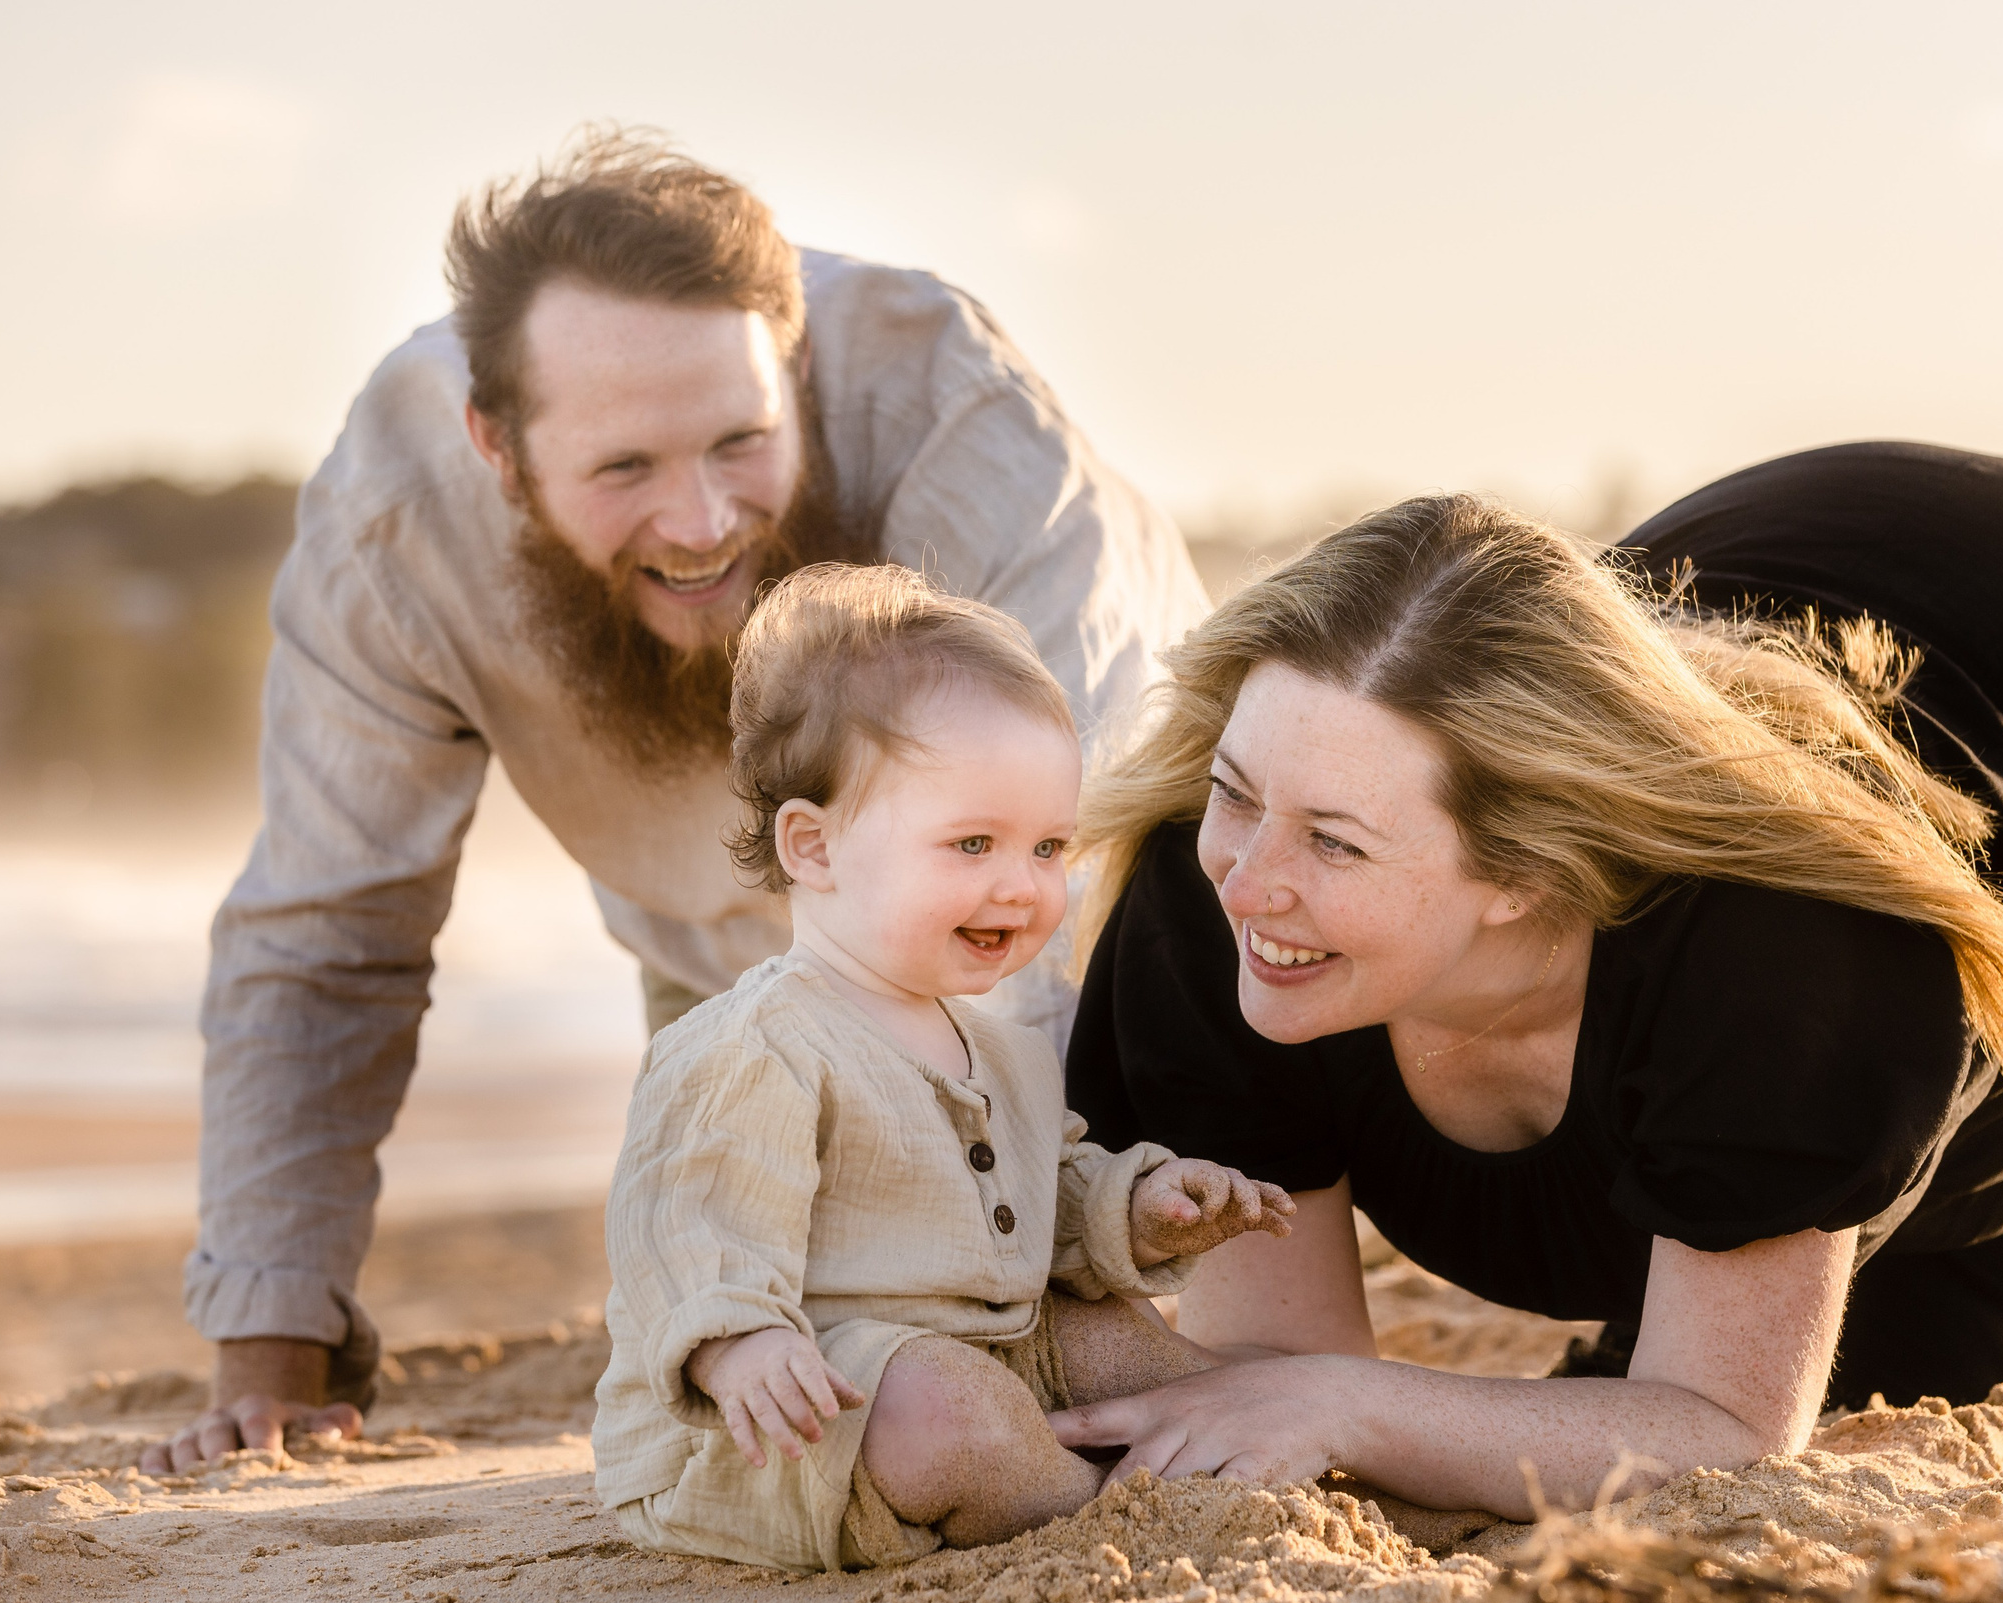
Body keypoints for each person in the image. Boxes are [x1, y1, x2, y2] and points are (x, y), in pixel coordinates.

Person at [145, 133, 1208, 1475]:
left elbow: (1036, 917)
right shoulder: (394, 531)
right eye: (624, 469)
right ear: (498, 445)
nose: (703, 520)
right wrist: (270, 1356)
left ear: (797, 368)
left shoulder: (962, 423)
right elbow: (326, 938)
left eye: (740, 442)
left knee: (1061, 1335)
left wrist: (1021, 1301)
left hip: (1111, 934)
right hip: (714, 948)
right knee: (741, 1277)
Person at [1054, 444, 2003, 1521]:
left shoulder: (1784, 947)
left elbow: (1727, 1429)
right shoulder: (1209, 890)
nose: (1252, 877)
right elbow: (1276, 1367)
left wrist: (1359, 1402)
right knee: (1881, 1351)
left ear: (1528, 868)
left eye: (1335, 841)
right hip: (1761, 600)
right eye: (1239, 794)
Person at [593, 565, 1290, 1571]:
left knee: (1120, 1340)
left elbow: (1036, 1201)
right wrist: (739, 1343)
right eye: (971, 843)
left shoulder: (997, 1048)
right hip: (792, 1415)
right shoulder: (759, 1043)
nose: (1021, 886)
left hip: (983, 1347)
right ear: (815, 847)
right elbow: (691, 1223)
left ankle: (1220, 1448)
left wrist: (1133, 1208)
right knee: (948, 1411)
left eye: (1048, 846)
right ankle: (1111, 1511)